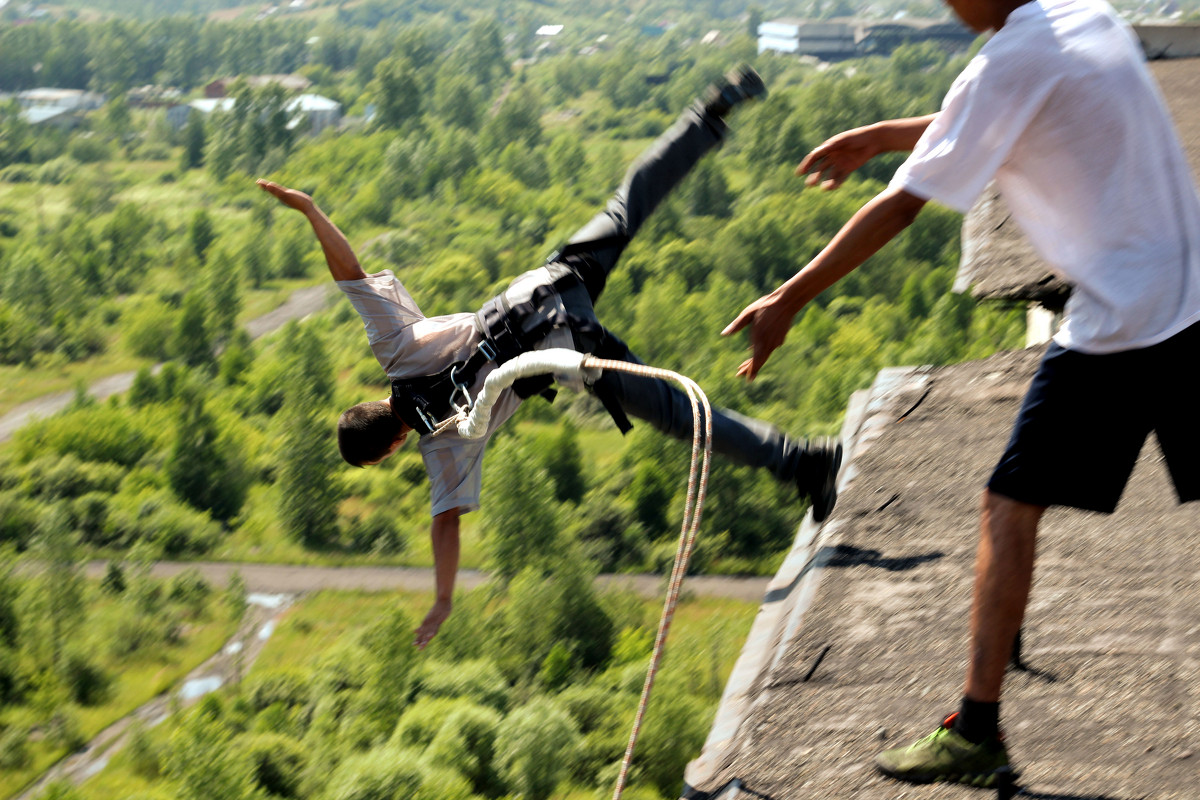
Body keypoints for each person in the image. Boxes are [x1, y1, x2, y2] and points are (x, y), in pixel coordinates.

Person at [723, 0, 1200, 788]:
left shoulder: (1007, 62)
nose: (944, 3)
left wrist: (788, 300)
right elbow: (985, 113)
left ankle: (976, 731)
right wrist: (880, 136)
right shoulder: (1085, 15)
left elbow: (903, 205)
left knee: (1008, 506)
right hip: (1189, 292)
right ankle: (976, 725)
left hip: (1125, 317)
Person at [258, 66, 842, 652]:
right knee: (626, 206)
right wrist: (310, 210)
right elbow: (351, 276)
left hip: (569, 347)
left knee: (681, 414)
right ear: (368, 403)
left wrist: (441, 600)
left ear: (390, 448)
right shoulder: (395, 351)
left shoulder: (444, 445)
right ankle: (708, 115)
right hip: (543, 288)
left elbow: (445, 526)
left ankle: (802, 462)